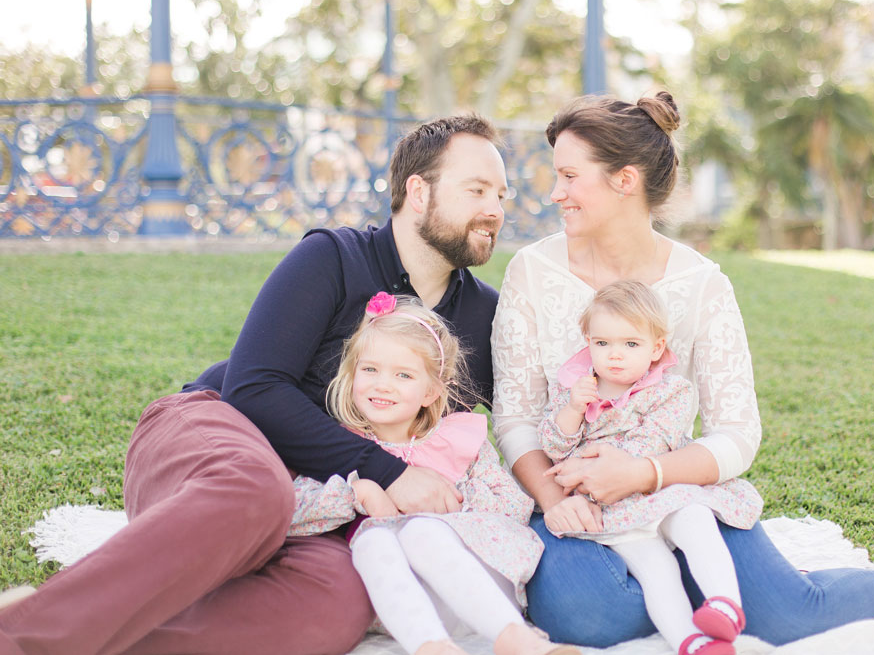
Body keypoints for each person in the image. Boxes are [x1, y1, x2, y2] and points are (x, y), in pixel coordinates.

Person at [490, 91, 874, 649]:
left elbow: (738, 434)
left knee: (789, 616)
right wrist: (555, 501)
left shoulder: (702, 285)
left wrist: (643, 472)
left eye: (571, 177)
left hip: (671, 491)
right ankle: (708, 587)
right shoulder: (533, 271)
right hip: (568, 496)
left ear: (625, 180)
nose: (556, 194)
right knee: (590, 616)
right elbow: (516, 418)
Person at [0, 114, 509, 655]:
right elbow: (255, 388)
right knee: (256, 492)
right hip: (215, 433)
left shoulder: (484, 316)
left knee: (336, 603)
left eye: (502, 194)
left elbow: (528, 419)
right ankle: (22, 639)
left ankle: (86, 637)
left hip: (324, 506)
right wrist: (391, 473)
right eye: (476, 190)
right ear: (418, 191)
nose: (495, 210)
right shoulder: (333, 257)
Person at [288, 292, 577, 655]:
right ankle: (432, 648)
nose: (382, 384)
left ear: (431, 391)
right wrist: (357, 492)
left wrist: (451, 502)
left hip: (479, 580)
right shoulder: (344, 447)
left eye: (403, 375)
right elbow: (291, 512)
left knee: (423, 530)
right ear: (352, 373)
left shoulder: (455, 440)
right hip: (406, 600)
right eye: (370, 369)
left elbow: (513, 506)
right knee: (373, 540)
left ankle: (516, 639)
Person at [538, 280, 761, 655]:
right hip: (612, 507)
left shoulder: (670, 392)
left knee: (695, 519)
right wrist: (572, 411)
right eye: (602, 343)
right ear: (588, 341)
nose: (615, 355)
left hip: (659, 491)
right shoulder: (574, 391)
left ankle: (724, 604)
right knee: (655, 569)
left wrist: (590, 463)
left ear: (656, 348)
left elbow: (655, 441)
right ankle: (689, 642)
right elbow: (552, 445)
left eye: (631, 344)